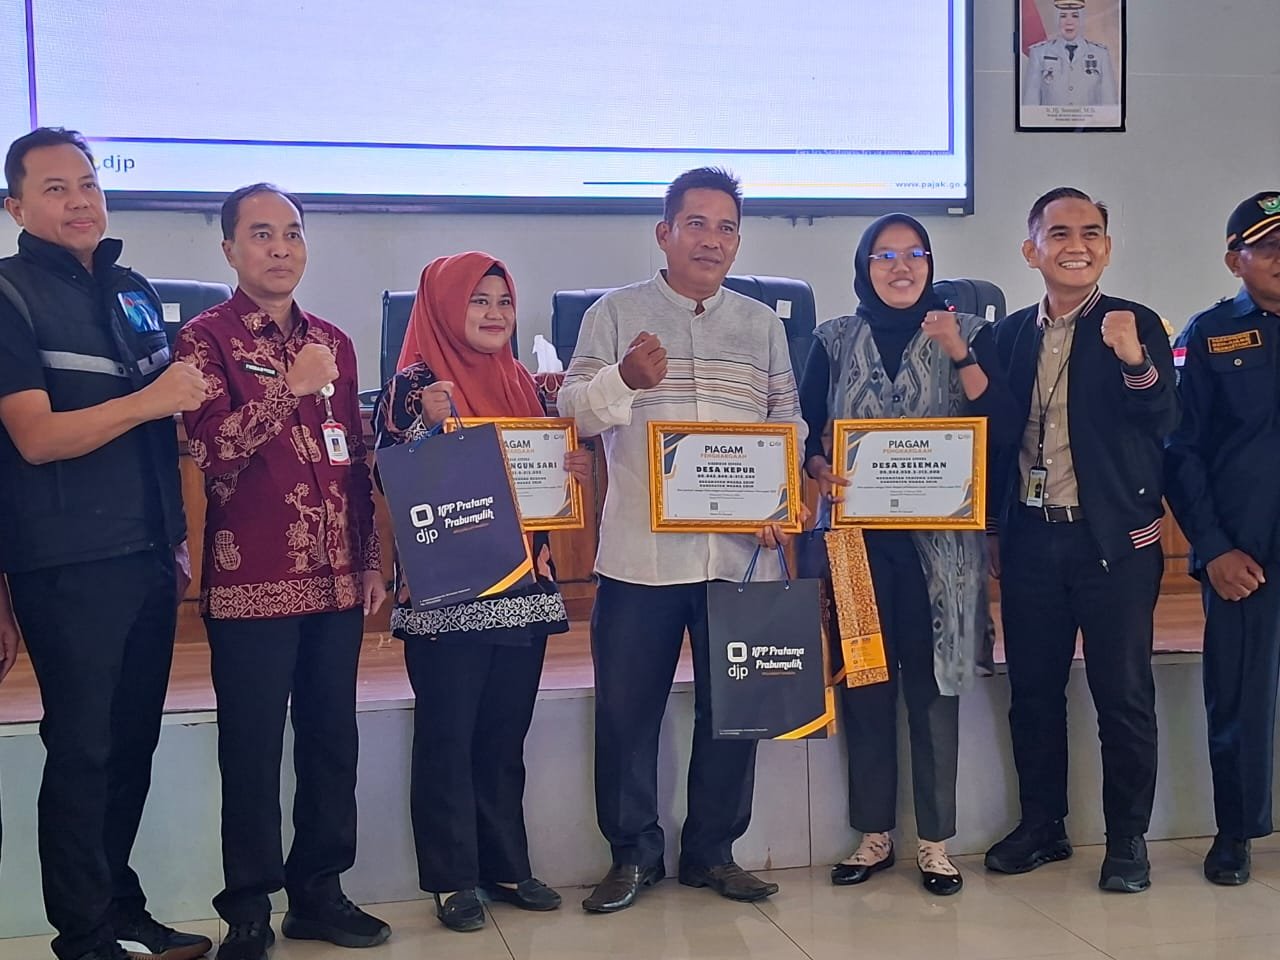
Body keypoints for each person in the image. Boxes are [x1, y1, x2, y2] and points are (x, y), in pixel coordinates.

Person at [559, 166, 804, 913]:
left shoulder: (761, 325)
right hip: (642, 557)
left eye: (727, 227)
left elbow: (787, 422)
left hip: (740, 554)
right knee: (627, 713)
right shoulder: (614, 313)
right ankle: (632, 856)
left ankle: (713, 853)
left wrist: (779, 498)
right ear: (665, 233)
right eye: (696, 224)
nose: (712, 240)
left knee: (737, 710)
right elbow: (573, 413)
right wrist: (624, 380)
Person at [0, 127, 211, 960]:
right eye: (55, 188)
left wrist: (177, 537)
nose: (80, 200)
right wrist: (151, 398)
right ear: (16, 207)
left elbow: (163, 429)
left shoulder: (131, 288)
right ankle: (82, 936)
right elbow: (36, 438)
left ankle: (121, 907)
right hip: (67, 560)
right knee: (83, 750)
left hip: (148, 551)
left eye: (88, 183)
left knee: (130, 745)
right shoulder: (9, 294)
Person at [175, 184, 389, 959]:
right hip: (251, 582)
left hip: (337, 581)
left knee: (332, 742)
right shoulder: (205, 339)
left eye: (292, 233)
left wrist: (370, 558)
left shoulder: (333, 341)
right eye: (261, 234)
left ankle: (319, 893)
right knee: (253, 749)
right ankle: (248, 908)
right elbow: (212, 450)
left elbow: (353, 457)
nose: (280, 248)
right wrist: (287, 388)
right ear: (229, 249)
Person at [800, 214, 1019, 895]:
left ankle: (935, 842)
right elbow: (806, 430)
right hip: (857, 548)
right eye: (885, 255)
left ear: (931, 264)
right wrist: (815, 465)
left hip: (943, 554)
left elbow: (1003, 425)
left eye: (915, 254)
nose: (901, 267)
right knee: (866, 685)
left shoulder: (969, 333)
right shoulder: (832, 338)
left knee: (932, 692)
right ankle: (873, 836)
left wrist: (959, 351)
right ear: (864, 267)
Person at [373, 251, 589, 931]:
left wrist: (567, 466)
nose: (495, 314)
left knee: (502, 734)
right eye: (478, 300)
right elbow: (386, 473)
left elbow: (539, 473)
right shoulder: (415, 381)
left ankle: (504, 864)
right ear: (443, 306)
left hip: (521, 583)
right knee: (448, 735)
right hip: (449, 591)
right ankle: (452, 877)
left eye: (504, 301)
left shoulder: (520, 380)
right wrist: (424, 426)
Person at [984, 187, 1178, 893]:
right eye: (1059, 232)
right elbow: (997, 436)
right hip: (1033, 541)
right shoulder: (1009, 335)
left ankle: (1127, 841)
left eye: (1091, 232)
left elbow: (1162, 417)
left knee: (1121, 695)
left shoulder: (1135, 322)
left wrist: (1133, 358)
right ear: (1030, 249)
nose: (1077, 244)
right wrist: (995, 527)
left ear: (1107, 247)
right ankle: (1044, 826)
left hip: (1115, 544)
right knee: (1033, 692)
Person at [1166, 191, 1280, 886]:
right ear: (1235, 260)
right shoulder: (1209, 336)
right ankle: (1235, 833)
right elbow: (1182, 453)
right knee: (1238, 698)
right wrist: (1211, 548)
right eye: (1267, 247)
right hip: (1245, 554)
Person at [1022, 0, 1117, 108]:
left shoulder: (1101, 55)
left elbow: (1109, 106)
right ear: (1056, 19)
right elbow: (1030, 106)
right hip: (1051, 119)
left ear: (1082, 19)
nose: (1069, 22)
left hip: (1088, 119)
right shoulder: (1038, 54)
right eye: (1063, 16)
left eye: (1075, 16)